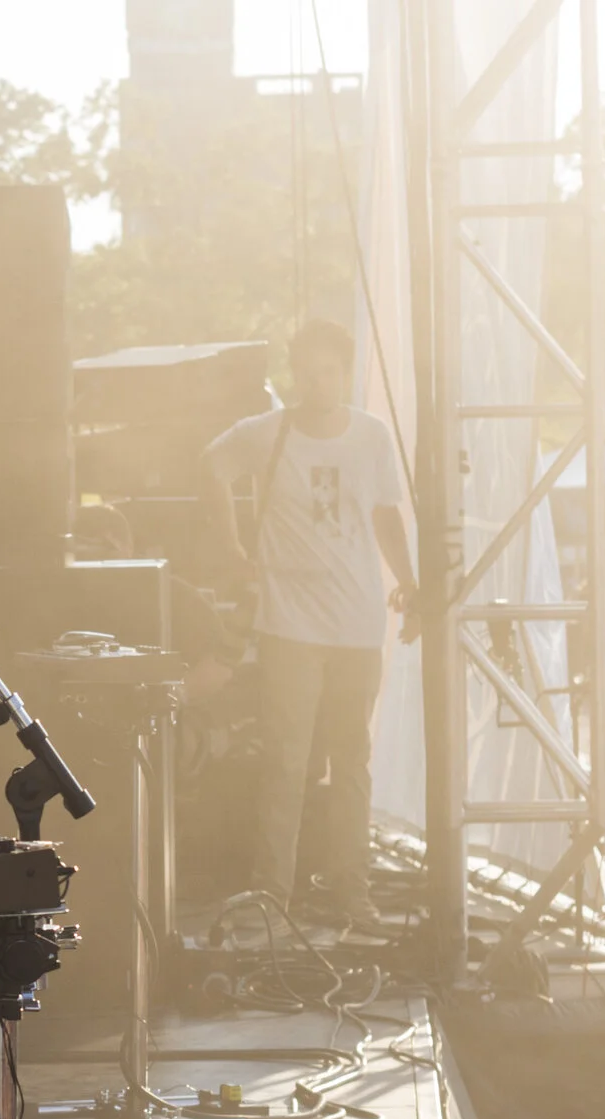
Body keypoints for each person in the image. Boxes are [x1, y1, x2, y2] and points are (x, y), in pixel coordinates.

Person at [198, 319, 416, 925]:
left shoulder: (370, 436)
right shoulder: (269, 432)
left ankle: (353, 892)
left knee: (351, 761)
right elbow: (210, 467)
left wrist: (410, 581)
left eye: (330, 371)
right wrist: (233, 550)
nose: (319, 383)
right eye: (309, 371)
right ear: (296, 374)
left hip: (357, 624)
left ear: (346, 373)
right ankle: (274, 894)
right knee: (287, 762)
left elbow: (385, 516)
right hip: (290, 624)